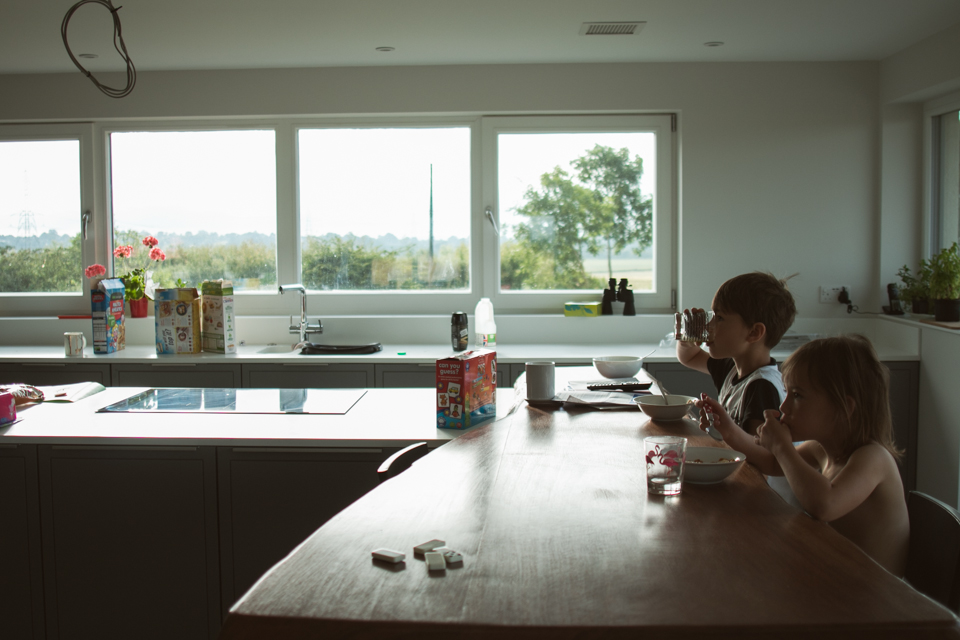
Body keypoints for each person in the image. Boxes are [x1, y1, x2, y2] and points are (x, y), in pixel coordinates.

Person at [699, 335, 909, 577]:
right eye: (787, 393)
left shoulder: (874, 459)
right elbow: (772, 462)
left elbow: (825, 504)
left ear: (844, 408)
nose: (784, 407)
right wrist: (728, 430)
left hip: (878, 603)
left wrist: (782, 446)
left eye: (797, 395)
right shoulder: (821, 449)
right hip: (835, 580)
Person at [677, 271, 798, 504]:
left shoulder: (762, 386)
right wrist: (686, 339)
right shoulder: (732, 367)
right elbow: (690, 357)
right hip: (745, 487)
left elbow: (762, 457)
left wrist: (727, 428)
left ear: (754, 333)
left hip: (767, 500)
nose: (710, 326)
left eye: (719, 318)